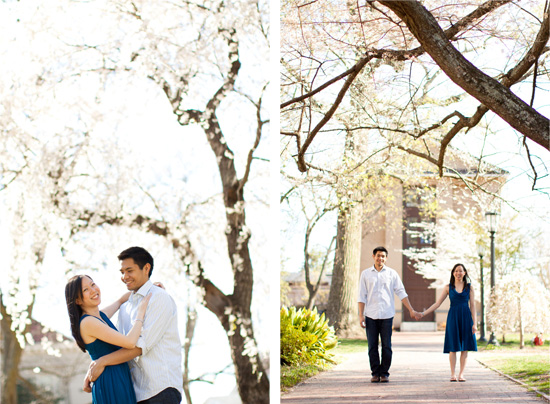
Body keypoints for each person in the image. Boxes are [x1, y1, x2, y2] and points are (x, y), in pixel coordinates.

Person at [84, 246, 183, 404]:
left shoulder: (159, 298)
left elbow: (139, 347)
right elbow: (118, 345)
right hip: (135, 393)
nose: (125, 276)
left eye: (129, 270)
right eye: (122, 272)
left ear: (146, 268)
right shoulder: (126, 307)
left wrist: (101, 362)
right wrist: (93, 368)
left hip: (161, 390)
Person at [65, 274, 151, 404]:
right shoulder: (88, 322)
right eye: (85, 290)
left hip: (118, 376)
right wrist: (140, 314)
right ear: (77, 300)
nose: (93, 290)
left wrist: (150, 289)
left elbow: (120, 301)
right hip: (110, 380)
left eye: (93, 284)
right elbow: (130, 342)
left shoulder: (99, 316)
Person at [358, 246, 421, 383]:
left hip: (387, 315)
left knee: (387, 345)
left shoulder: (392, 274)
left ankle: (384, 373)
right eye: (378, 255)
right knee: (372, 346)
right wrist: (361, 315)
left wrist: (410, 309)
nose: (380, 258)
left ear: (386, 258)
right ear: (373, 256)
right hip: (371, 315)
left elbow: (401, 292)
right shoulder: (366, 274)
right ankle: (375, 373)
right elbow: (361, 296)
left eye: (383, 256)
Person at [418, 263, 477, 382]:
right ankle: (452, 374)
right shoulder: (447, 287)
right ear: (453, 273)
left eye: (460, 271)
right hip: (453, 318)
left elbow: (473, 306)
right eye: (456, 271)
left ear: (464, 273)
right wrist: (423, 314)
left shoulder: (469, 287)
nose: (458, 273)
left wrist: (475, 323)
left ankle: (461, 374)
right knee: (453, 347)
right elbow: (437, 303)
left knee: (465, 347)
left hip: (466, 318)